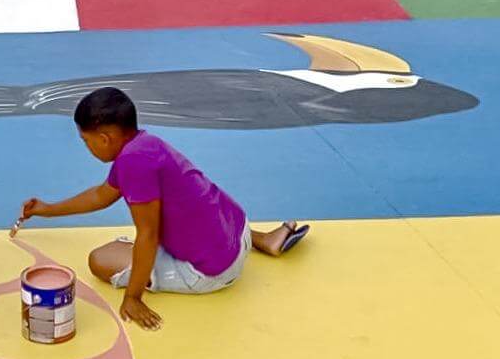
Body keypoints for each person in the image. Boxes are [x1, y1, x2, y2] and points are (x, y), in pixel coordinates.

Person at [19, 87, 308, 331]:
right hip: (238, 231)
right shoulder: (145, 143)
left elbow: (148, 234)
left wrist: (133, 297)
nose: (87, 147)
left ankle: (209, 264)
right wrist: (47, 209)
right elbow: (101, 195)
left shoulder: (133, 164)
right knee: (193, 204)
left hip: (214, 271)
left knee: (100, 259)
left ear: (105, 138)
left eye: (86, 141)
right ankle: (265, 239)